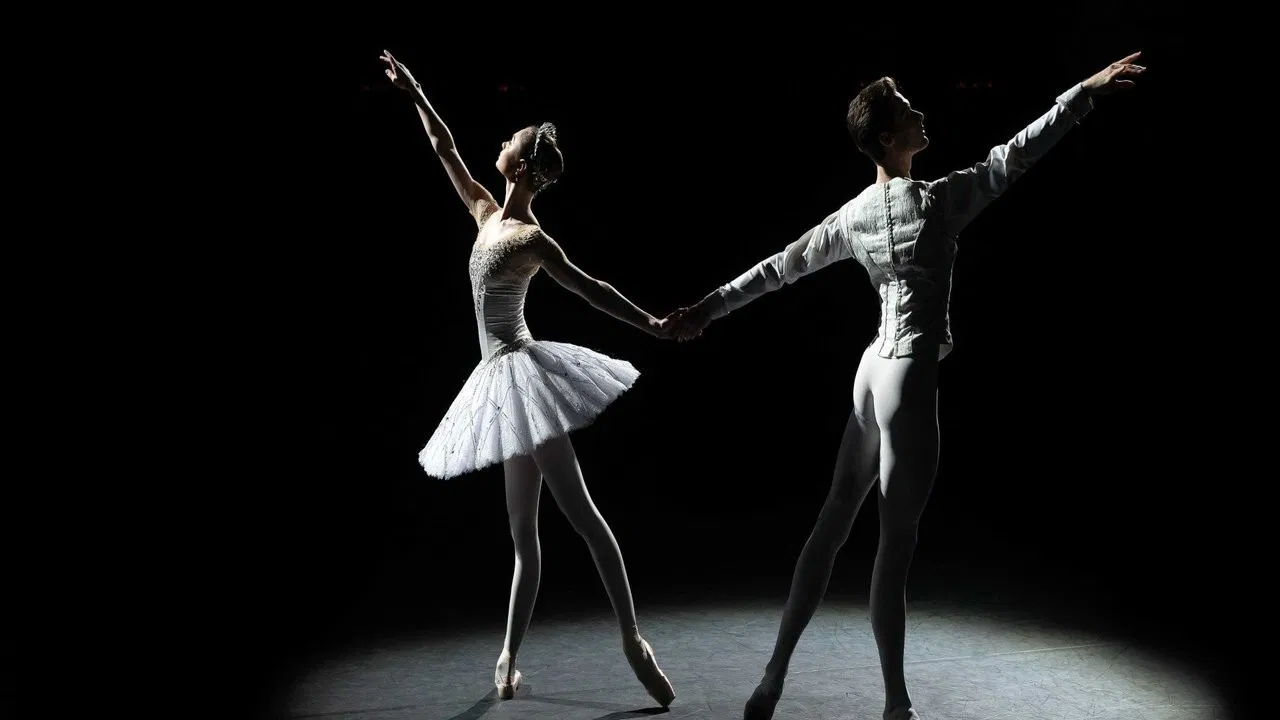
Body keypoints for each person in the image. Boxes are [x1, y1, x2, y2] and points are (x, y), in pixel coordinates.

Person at [665, 52, 1146, 720]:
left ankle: (773, 677)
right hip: (908, 375)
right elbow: (1016, 156)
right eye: (910, 112)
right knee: (894, 548)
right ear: (890, 139)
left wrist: (706, 309)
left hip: (870, 374)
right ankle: (895, 706)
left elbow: (776, 270)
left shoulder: (855, 215)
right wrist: (1082, 94)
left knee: (832, 526)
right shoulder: (936, 202)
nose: (923, 114)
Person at [378, 50, 676, 708]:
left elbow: (593, 290)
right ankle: (508, 658)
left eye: (509, 140)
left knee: (584, 519)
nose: (500, 141)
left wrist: (652, 322)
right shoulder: (486, 215)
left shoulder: (532, 238)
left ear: (524, 166)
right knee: (523, 535)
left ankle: (634, 642)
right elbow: (443, 146)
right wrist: (418, 90)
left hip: (522, 379)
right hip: (496, 381)